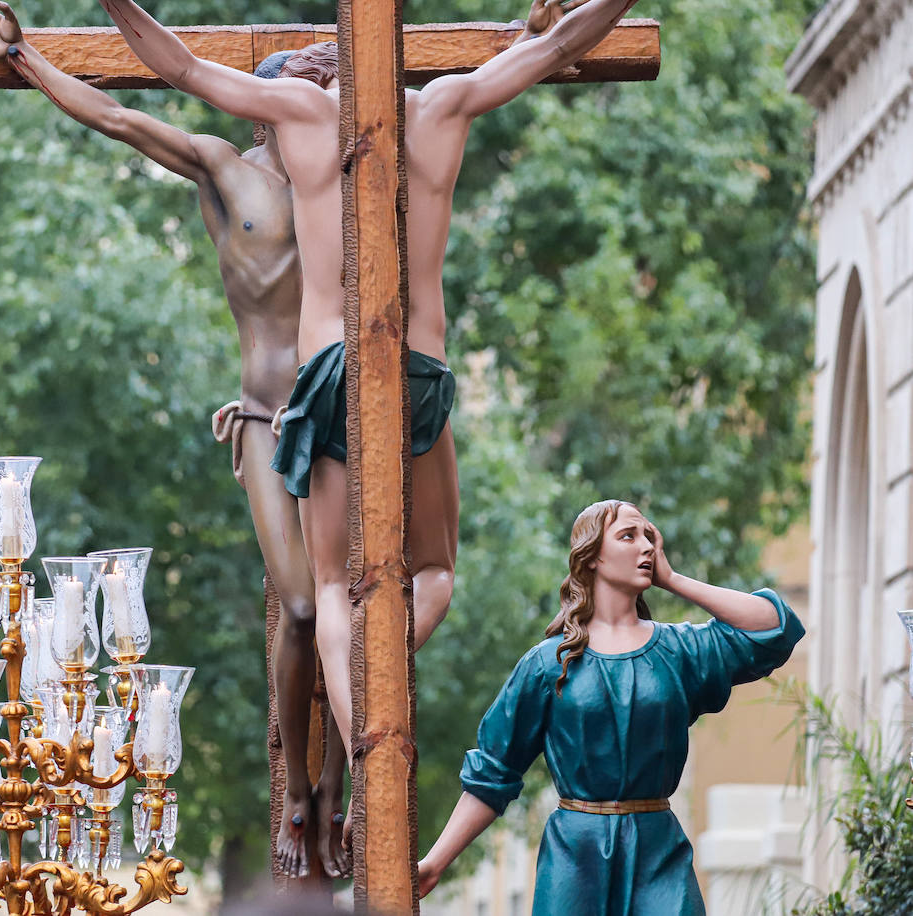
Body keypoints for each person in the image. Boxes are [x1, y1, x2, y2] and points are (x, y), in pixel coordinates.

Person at [94, 0, 639, 782]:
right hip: (419, 371)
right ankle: (374, 701)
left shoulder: (300, 113)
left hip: (325, 375)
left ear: (333, 64)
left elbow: (178, 66)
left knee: (324, 591)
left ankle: (369, 755)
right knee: (436, 575)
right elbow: (558, 45)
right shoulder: (447, 103)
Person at [0, 0, 347, 876]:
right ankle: (296, 788)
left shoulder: (353, 189)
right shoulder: (226, 172)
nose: (326, 99)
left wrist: (546, 37)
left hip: (348, 426)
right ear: (264, 103)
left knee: (361, 615)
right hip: (265, 421)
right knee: (309, 608)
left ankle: (341, 789)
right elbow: (117, 115)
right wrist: (21, 55)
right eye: (312, 86)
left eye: (334, 87)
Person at [416, 500, 805, 914]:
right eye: (628, 536)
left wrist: (672, 580)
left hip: (659, 852)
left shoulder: (678, 651)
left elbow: (774, 628)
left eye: (648, 537)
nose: (646, 548)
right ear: (593, 557)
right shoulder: (549, 664)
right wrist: (436, 862)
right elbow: (493, 772)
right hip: (576, 856)